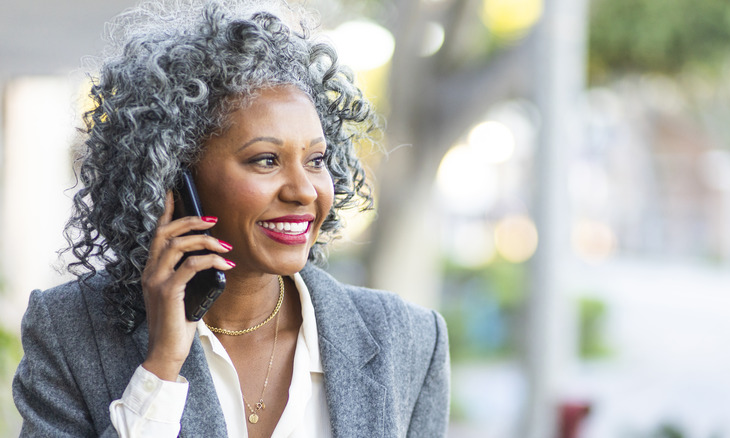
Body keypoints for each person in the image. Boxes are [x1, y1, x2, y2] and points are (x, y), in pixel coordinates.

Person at [11, 0, 450, 436]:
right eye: (265, 160)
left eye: (316, 160)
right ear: (174, 176)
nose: (303, 191)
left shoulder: (408, 337)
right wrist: (160, 369)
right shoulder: (69, 330)